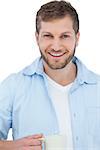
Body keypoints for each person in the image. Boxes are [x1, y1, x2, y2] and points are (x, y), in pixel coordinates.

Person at [0, 0, 100, 149]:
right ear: (37, 38)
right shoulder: (13, 86)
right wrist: (10, 147)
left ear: (77, 38)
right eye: (48, 36)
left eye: (65, 36)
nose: (56, 46)